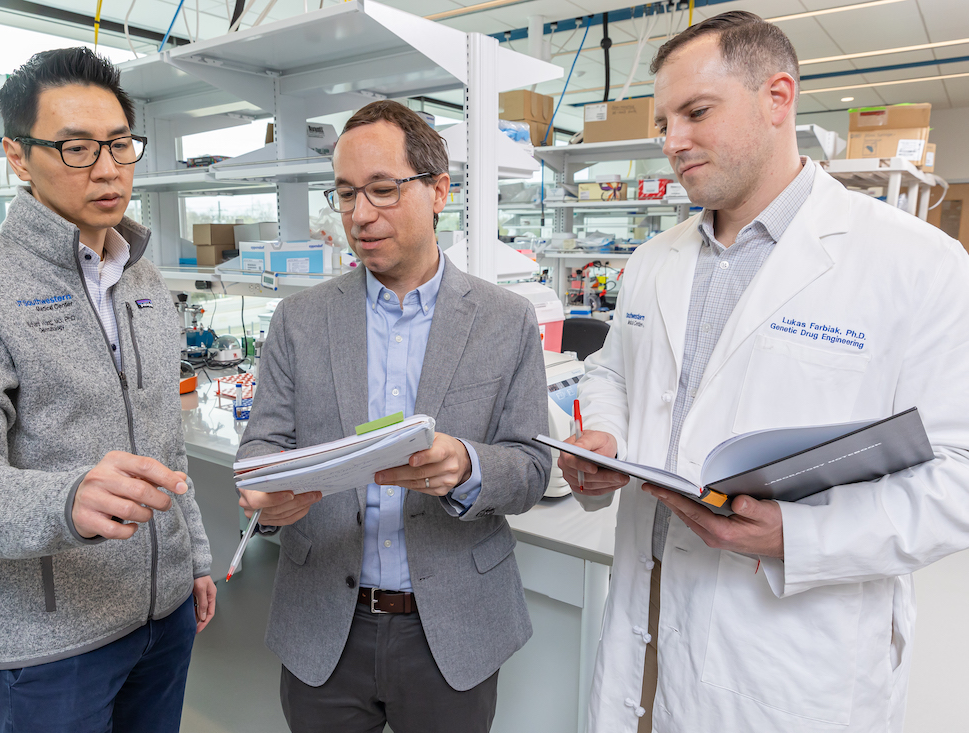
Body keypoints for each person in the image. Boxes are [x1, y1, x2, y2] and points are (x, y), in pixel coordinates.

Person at [557, 11, 969, 733]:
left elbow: (958, 476)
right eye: (662, 121)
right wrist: (608, 439)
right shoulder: (655, 260)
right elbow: (611, 373)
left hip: (786, 650)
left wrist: (796, 537)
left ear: (777, 98)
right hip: (645, 613)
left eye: (695, 112)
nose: (670, 141)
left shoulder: (917, 266)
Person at [0, 47, 215, 732]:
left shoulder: (143, 279)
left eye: (119, 144)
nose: (106, 168)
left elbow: (165, 443)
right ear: (18, 155)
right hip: (53, 647)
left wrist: (193, 559)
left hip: (165, 621)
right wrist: (65, 499)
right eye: (75, 148)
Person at [235, 100, 551, 733]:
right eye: (346, 194)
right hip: (325, 623)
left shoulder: (504, 318)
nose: (359, 215)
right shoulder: (301, 320)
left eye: (382, 190)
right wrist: (265, 495)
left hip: (452, 631)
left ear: (439, 191)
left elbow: (534, 467)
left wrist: (467, 466)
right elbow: (260, 447)